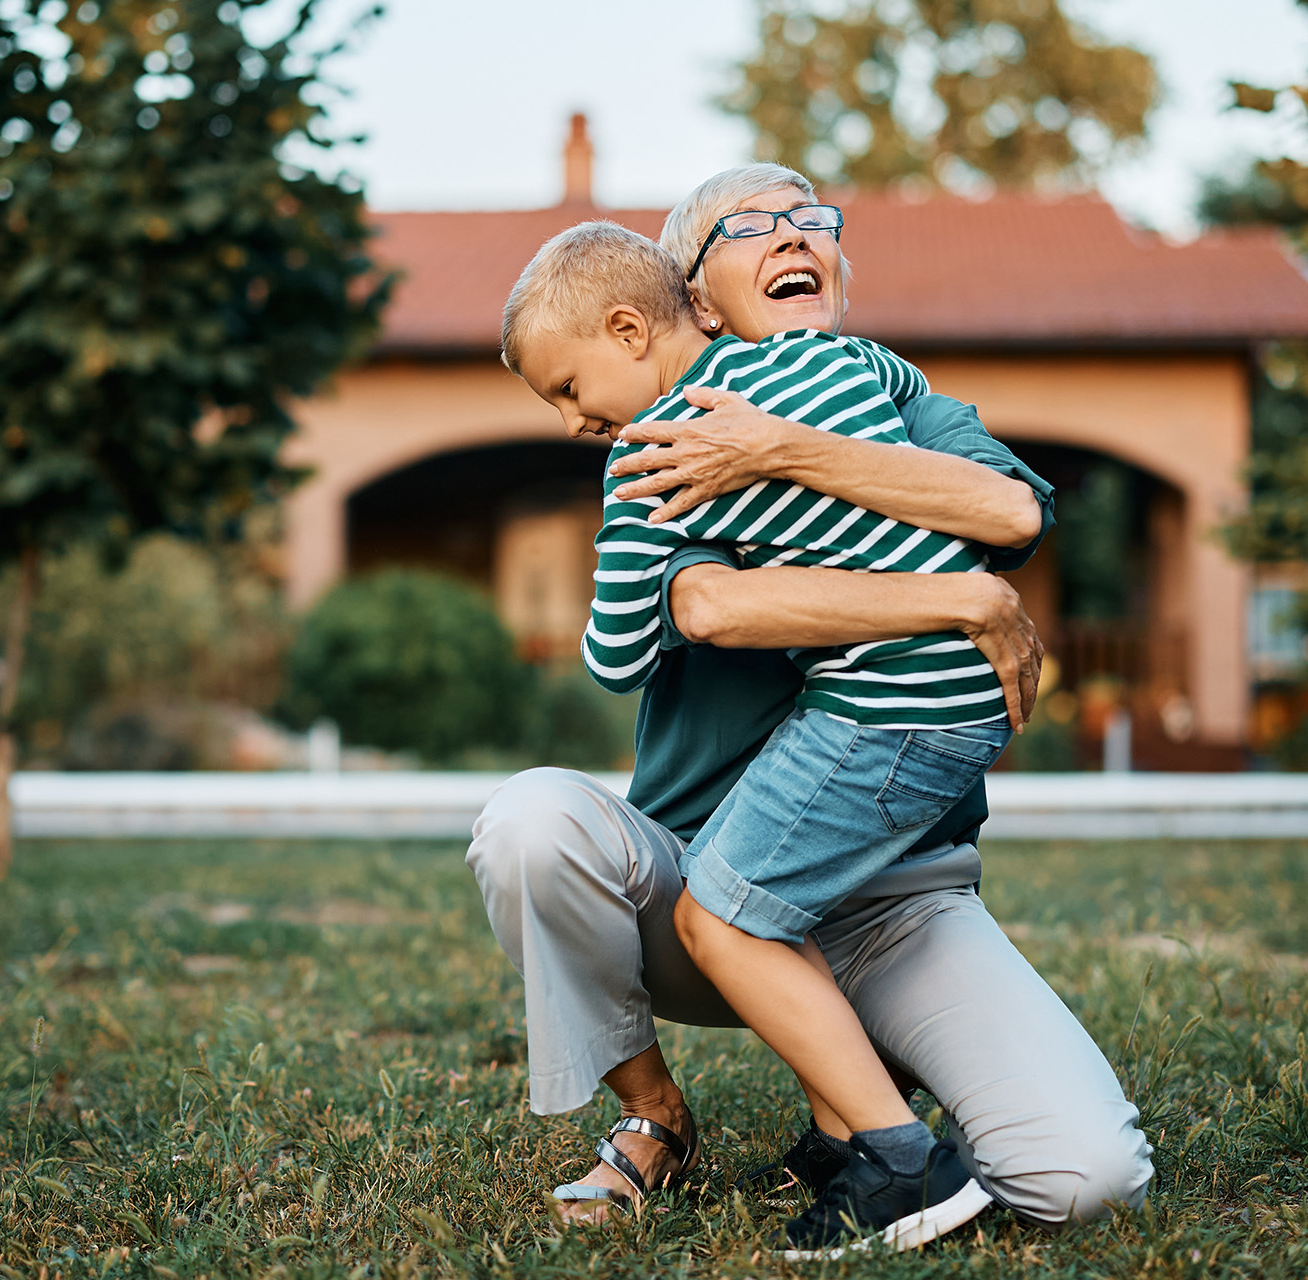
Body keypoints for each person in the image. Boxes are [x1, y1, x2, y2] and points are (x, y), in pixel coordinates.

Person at [466, 163, 1152, 1237]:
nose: (795, 237)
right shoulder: (669, 434)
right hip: (699, 883)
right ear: (688, 298)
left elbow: (1009, 509)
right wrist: (955, 596)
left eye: (813, 220)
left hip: (896, 896)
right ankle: (657, 1121)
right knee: (532, 823)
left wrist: (784, 448)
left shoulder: (886, 387)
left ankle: (863, 1124)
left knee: (1084, 1175)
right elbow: (711, 606)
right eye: (753, 227)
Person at [501, 219, 1011, 1253]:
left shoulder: (656, 444)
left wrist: (637, 534)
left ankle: (898, 1162)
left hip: (887, 704)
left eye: (566, 387)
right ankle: (841, 1133)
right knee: (749, 898)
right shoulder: (835, 360)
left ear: (629, 329)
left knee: (724, 915)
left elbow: (613, 657)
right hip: (960, 688)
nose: (569, 421)